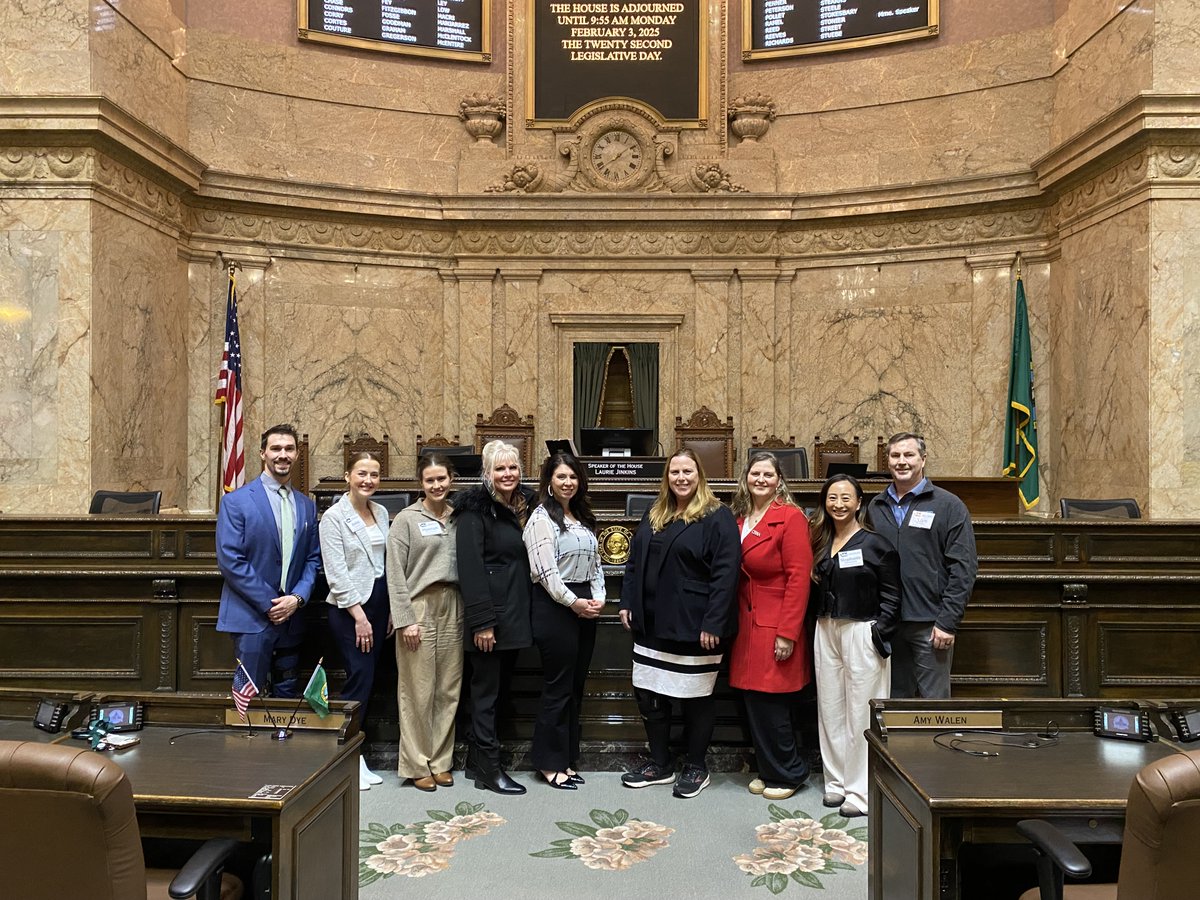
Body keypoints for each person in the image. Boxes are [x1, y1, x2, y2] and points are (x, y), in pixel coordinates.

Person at [619, 448, 740, 799]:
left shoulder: (717, 515)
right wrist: (627, 601)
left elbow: (725, 574)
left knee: (695, 697)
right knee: (650, 694)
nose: (681, 478)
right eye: (675, 472)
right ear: (666, 477)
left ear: (699, 474)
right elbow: (633, 562)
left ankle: (696, 766)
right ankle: (660, 762)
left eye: (688, 471)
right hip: (651, 623)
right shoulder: (656, 511)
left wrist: (714, 622)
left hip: (695, 626)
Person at [810, 474, 901, 818]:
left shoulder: (877, 545)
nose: (838, 504)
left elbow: (893, 596)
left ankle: (860, 791)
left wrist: (879, 633)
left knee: (861, 713)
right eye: (832, 498)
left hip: (862, 631)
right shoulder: (820, 541)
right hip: (826, 629)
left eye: (846, 498)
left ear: (859, 502)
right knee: (830, 710)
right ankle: (835, 783)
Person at [728, 451, 813, 802]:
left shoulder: (790, 518)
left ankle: (789, 772)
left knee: (773, 702)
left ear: (779, 480)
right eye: (754, 474)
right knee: (753, 700)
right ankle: (769, 769)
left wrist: (787, 633)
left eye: (768, 474)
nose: (760, 480)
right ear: (745, 478)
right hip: (746, 624)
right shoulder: (739, 518)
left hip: (775, 622)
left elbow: (799, 579)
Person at [866, 432, 977, 699]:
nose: (901, 462)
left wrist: (948, 622)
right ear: (888, 461)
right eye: (895, 456)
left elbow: (964, 568)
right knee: (891, 704)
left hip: (930, 625)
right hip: (887, 624)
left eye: (909, 455)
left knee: (934, 705)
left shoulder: (948, 505)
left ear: (923, 459)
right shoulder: (875, 506)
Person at [452, 440, 535, 795]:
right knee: (485, 696)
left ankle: (475, 762)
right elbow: (470, 569)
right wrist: (483, 622)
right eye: (499, 468)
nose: (508, 474)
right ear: (486, 472)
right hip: (490, 620)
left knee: (498, 694)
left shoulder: (523, 506)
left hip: (515, 614)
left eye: (512, 468)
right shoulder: (474, 511)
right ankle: (490, 768)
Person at [216, 423, 321, 697]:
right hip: (252, 617)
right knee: (248, 704)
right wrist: (270, 604)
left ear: (297, 454)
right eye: (275, 448)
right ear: (263, 453)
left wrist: (296, 599)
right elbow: (230, 560)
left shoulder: (307, 506)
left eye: (289, 449)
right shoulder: (236, 502)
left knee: (286, 701)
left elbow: (312, 559)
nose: (282, 454)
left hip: (292, 618)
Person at [522, 452, 605, 790]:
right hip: (556, 606)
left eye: (572, 477)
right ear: (549, 482)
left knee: (574, 687)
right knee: (558, 688)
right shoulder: (541, 518)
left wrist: (598, 597)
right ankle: (548, 762)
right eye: (561, 477)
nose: (568, 482)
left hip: (584, 604)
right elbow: (545, 572)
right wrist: (574, 603)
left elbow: (596, 562)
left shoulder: (582, 516)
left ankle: (567, 758)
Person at [386, 453, 462, 793]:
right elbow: (395, 575)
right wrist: (405, 620)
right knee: (417, 690)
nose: (437, 485)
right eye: (430, 480)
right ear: (421, 483)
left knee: (448, 688)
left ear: (451, 479)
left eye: (442, 479)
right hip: (419, 606)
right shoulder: (406, 520)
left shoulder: (459, 516)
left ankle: (441, 761)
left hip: (453, 605)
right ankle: (417, 763)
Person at [318, 450, 390, 791]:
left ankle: (358, 755)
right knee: (358, 680)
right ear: (347, 476)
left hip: (379, 605)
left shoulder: (382, 512)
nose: (368, 480)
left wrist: (389, 611)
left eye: (374, 474)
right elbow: (336, 574)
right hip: (350, 612)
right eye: (362, 473)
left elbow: (387, 565)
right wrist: (360, 617)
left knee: (370, 681)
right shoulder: (333, 517)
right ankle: (347, 757)